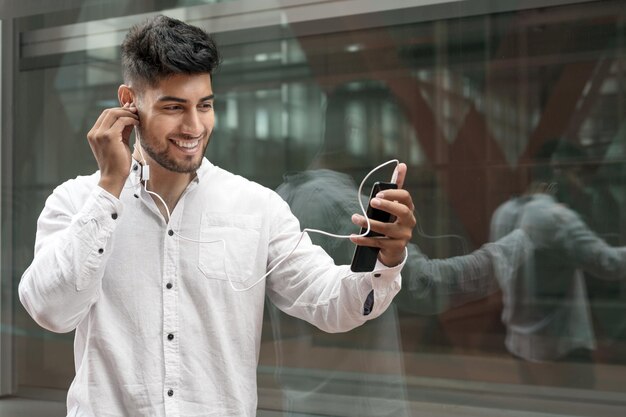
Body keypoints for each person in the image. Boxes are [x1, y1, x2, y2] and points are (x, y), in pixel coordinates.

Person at [18, 15, 416, 417]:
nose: (194, 126)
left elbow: (332, 304)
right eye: (174, 107)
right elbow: (51, 311)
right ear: (128, 103)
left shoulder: (256, 207)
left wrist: (383, 258)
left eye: (204, 105)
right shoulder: (76, 202)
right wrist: (109, 190)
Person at [490, 140, 626, 379]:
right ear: (558, 172)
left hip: (518, 344)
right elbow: (610, 264)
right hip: (561, 349)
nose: (580, 185)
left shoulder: (501, 213)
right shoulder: (556, 218)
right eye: (576, 174)